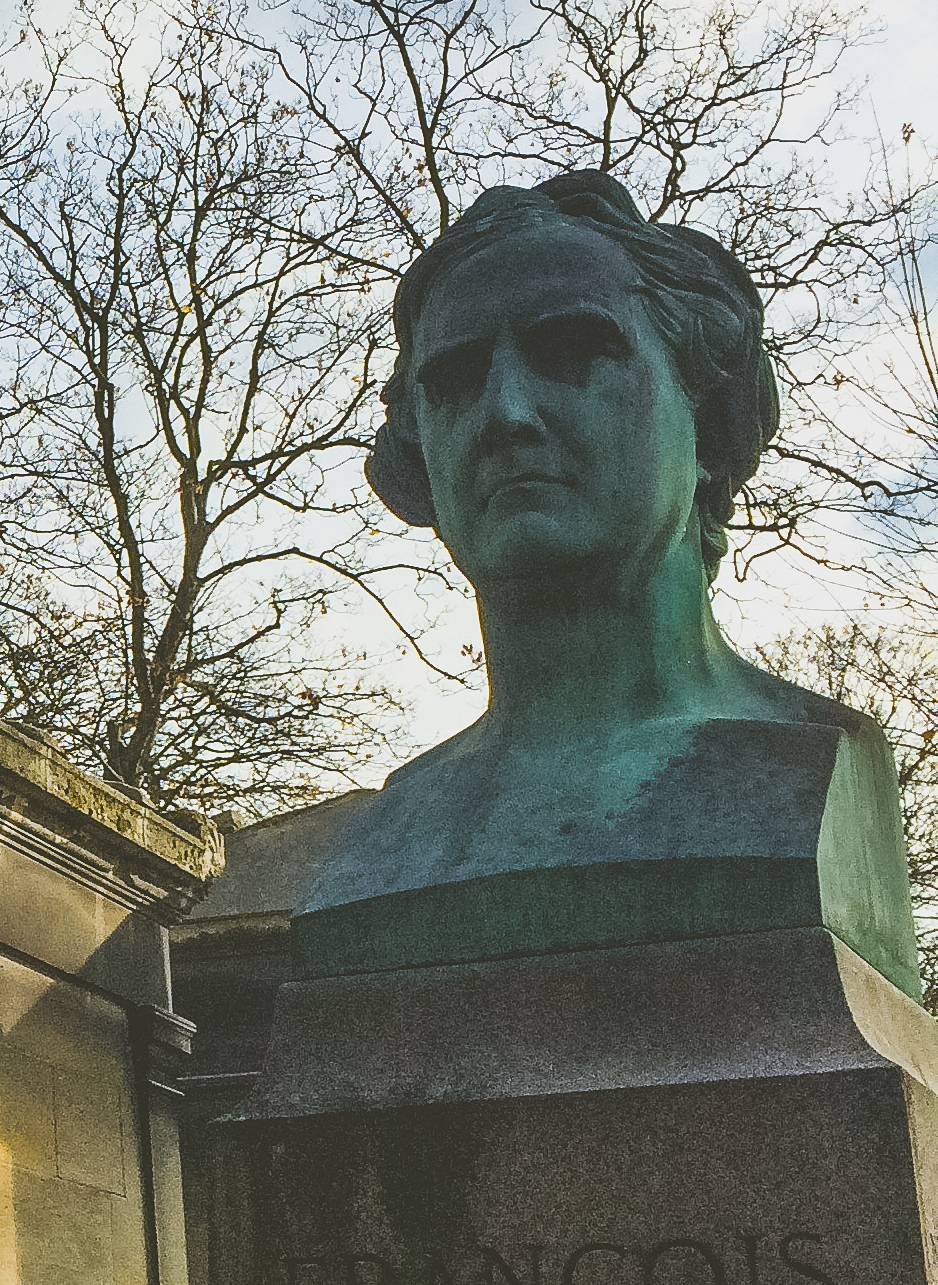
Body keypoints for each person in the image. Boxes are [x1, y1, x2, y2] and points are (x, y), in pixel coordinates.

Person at [310, 167, 915, 979]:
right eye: (454, 380)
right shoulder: (386, 838)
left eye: (572, 352)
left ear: (701, 420)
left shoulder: (808, 767)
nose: (505, 413)